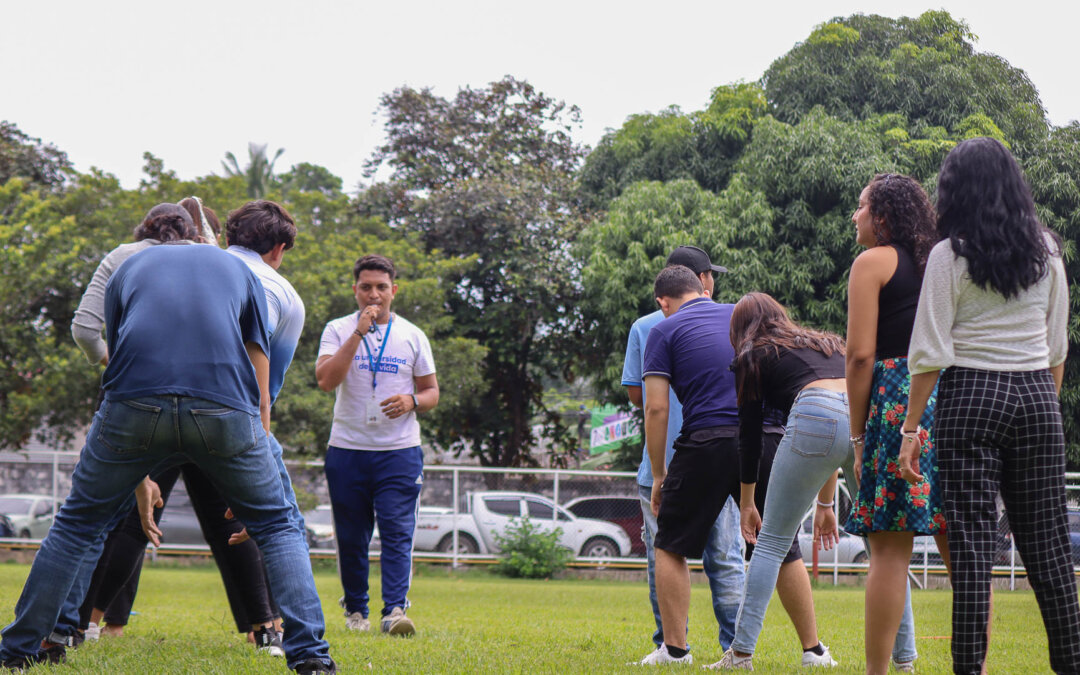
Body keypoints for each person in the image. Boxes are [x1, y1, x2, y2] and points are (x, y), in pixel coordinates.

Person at [0, 238, 334, 673]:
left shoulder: (128, 266)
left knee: (78, 524)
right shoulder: (239, 271)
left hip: (134, 404)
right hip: (223, 405)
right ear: (208, 241)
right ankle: (310, 658)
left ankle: (18, 650)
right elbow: (257, 358)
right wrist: (257, 452)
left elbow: (118, 355)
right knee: (278, 525)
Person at [67, 201, 285, 657]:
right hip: (218, 404)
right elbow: (259, 349)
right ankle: (267, 629)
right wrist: (260, 425)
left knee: (117, 520)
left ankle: (83, 624)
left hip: (141, 401)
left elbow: (87, 330)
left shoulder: (124, 258)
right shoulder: (226, 268)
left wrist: (118, 366)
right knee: (239, 519)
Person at [899, 137, 1080, 675]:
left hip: (971, 396)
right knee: (1047, 547)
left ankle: (969, 670)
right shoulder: (1046, 250)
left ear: (953, 189)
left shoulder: (948, 254)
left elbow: (929, 351)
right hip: (1035, 397)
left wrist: (911, 430)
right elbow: (1056, 346)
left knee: (974, 547)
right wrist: (1041, 405)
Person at [639, 267, 832, 667]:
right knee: (781, 545)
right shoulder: (742, 317)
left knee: (670, 544)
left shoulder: (663, 329)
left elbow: (656, 407)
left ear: (663, 302)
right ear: (704, 287)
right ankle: (813, 651)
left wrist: (659, 474)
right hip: (770, 437)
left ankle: (675, 651)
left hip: (705, 441)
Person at [711, 292, 852, 670]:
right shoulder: (826, 342)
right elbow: (837, 432)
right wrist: (825, 505)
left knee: (770, 542)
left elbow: (751, 435)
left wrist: (746, 503)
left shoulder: (753, 355)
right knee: (886, 543)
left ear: (739, 329)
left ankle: (740, 655)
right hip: (860, 416)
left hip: (816, 416)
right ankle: (904, 661)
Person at [845, 173, 946, 675]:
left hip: (896, 400)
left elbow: (861, 357)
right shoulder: (940, 262)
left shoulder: (872, 263)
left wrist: (858, 438)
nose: (855, 216)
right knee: (960, 545)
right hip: (948, 397)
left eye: (861, 207)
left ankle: (878, 673)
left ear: (881, 215)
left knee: (888, 550)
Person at [622, 246, 745, 653]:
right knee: (726, 559)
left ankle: (671, 646)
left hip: (663, 462)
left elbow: (639, 397)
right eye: (710, 274)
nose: (713, 281)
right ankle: (737, 647)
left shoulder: (644, 328)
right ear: (699, 279)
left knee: (666, 555)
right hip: (723, 454)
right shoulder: (730, 321)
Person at [316, 254, 439, 636]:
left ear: (394, 290)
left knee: (397, 532)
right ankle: (356, 611)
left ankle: (395, 612)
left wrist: (412, 401)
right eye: (366, 287)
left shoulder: (413, 336)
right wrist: (358, 333)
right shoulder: (337, 330)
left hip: (399, 452)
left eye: (381, 287)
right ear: (354, 290)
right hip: (347, 449)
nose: (374, 295)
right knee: (351, 536)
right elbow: (325, 380)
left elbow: (432, 391)